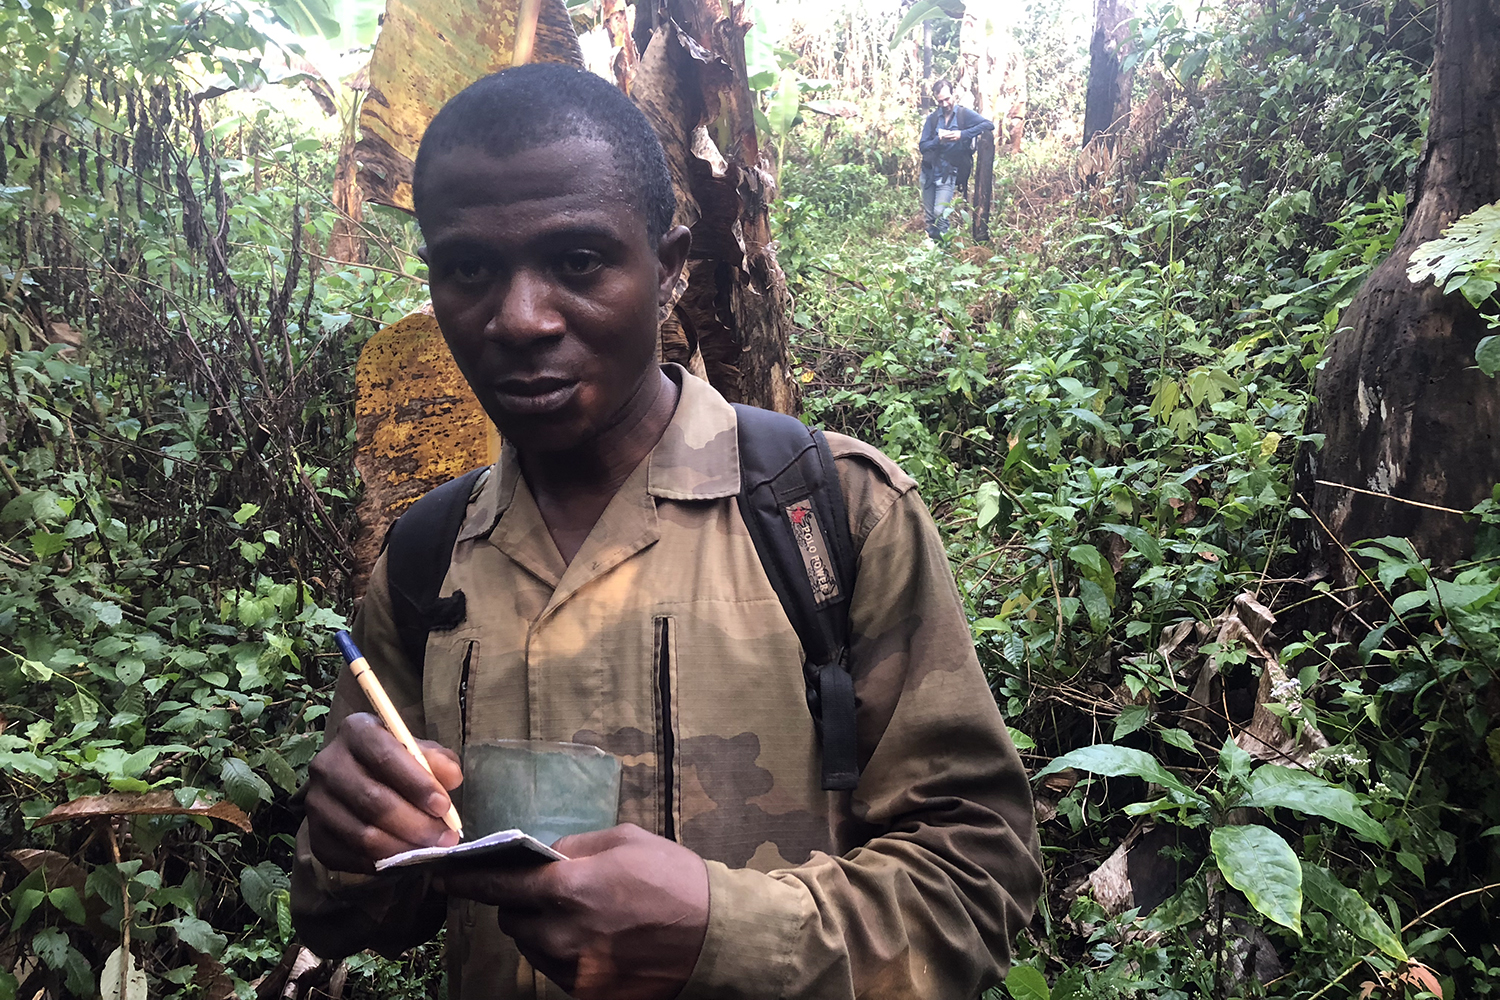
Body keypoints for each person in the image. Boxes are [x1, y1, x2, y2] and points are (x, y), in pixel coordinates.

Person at [291, 63, 1041, 1000]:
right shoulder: (424, 563)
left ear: (673, 265)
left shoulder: (831, 516)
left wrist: (719, 935)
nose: (520, 320)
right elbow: (350, 913)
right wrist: (348, 840)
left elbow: (984, 884)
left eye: (578, 262)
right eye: (470, 269)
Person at [918, 79, 995, 240]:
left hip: (949, 171)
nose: (945, 104)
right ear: (936, 100)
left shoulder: (963, 114)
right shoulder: (932, 119)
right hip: (929, 171)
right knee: (930, 216)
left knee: (940, 213)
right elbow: (923, 146)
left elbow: (988, 124)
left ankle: (943, 248)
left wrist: (962, 134)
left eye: (947, 99)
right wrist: (938, 140)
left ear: (953, 95)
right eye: (940, 101)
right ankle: (933, 252)